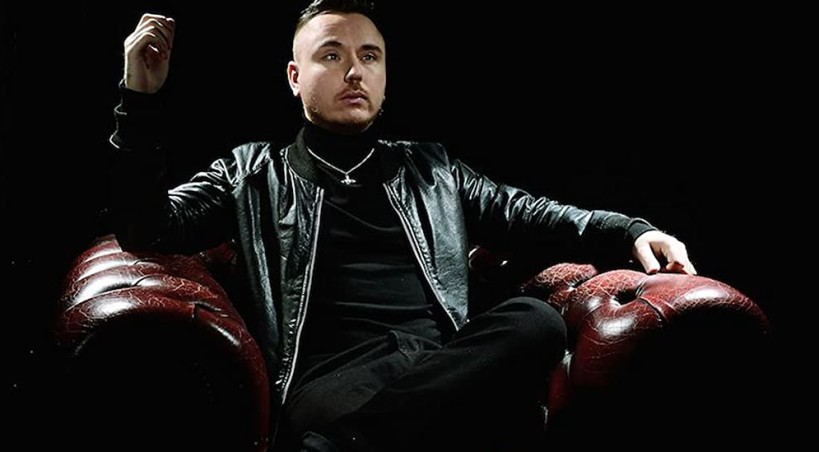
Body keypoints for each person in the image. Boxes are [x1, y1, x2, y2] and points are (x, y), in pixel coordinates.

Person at [109, 1, 696, 451]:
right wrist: (141, 100)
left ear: (385, 75)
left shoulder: (433, 169)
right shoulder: (251, 171)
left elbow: (528, 213)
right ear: (294, 76)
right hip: (333, 382)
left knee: (535, 321)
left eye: (370, 57)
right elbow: (145, 227)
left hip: (440, 364)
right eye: (331, 55)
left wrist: (630, 230)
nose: (354, 71)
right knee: (478, 415)